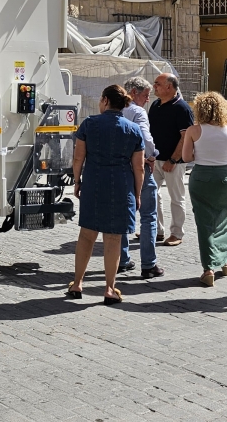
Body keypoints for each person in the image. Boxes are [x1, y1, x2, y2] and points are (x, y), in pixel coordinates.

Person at [67, 85, 145, 305]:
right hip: (122, 186)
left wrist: (77, 181)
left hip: (94, 183)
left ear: (104, 100)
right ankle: (110, 288)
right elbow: (138, 168)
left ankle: (77, 283)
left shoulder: (89, 124)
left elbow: (77, 159)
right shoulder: (133, 129)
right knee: (114, 238)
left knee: (87, 235)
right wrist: (137, 194)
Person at [179, 91, 227, 287]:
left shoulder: (193, 130)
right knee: (224, 219)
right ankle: (225, 260)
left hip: (201, 177)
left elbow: (186, 158)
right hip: (223, 178)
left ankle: (208, 269)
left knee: (204, 222)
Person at [119, 76, 164, 279]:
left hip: (119, 168)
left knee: (120, 216)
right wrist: (152, 155)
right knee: (148, 216)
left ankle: (121, 259)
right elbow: (146, 139)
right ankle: (148, 264)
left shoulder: (112, 110)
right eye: (146, 95)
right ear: (134, 93)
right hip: (140, 167)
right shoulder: (137, 112)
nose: (148, 100)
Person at [149, 73, 194, 247]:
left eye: (157, 84)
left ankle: (177, 233)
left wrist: (173, 160)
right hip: (155, 160)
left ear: (169, 87)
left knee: (176, 197)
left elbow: (185, 137)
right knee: (151, 195)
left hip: (173, 162)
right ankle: (156, 230)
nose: (154, 87)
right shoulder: (155, 105)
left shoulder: (182, 108)